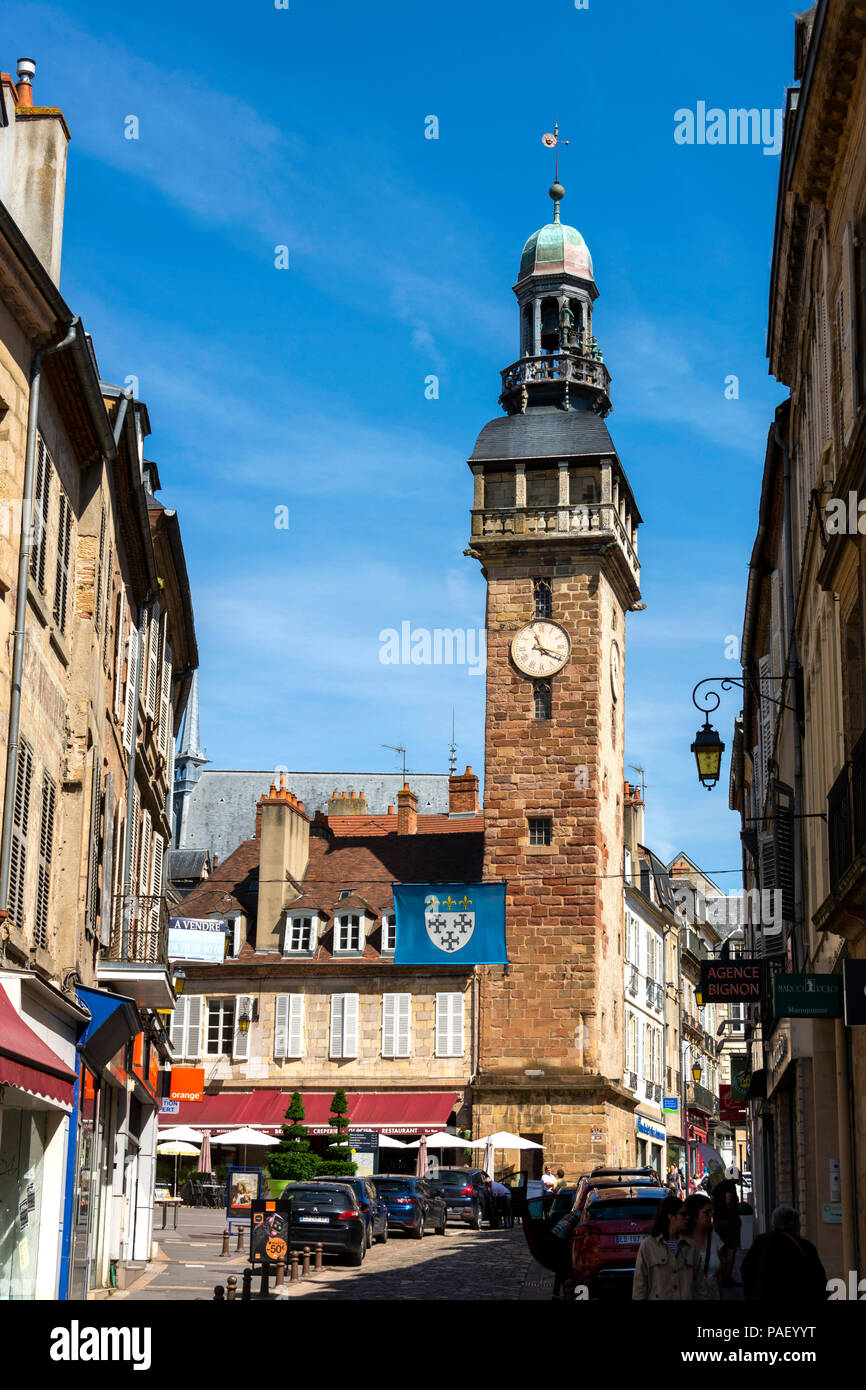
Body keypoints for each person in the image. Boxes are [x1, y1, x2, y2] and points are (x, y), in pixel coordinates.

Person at [632, 1196, 713, 1300]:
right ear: (670, 1216)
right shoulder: (648, 1246)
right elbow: (640, 1284)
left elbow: (700, 1284)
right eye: (683, 1214)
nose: (687, 1217)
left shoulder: (690, 1246)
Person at [741, 1206, 828, 1302]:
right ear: (795, 1225)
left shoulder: (761, 1241)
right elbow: (818, 1280)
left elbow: (746, 1269)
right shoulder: (805, 1246)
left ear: (774, 1223)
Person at [684, 1193, 722, 1299]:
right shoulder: (681, 1241)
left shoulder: (714, 1237)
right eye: (706, 1212)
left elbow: (719, 1275)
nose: (711, 1215)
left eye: (711, 1212)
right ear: (694, 1216)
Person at [712, 1164, 742, 1284]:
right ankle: (727, 1276)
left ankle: (722, 1275)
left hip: (718, 1220)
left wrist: (715, 1213)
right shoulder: (730, 1186)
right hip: (729, 1221)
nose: (739, 1177)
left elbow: (712, 1200)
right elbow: (729, 1201)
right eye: (738, 1175)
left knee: (722, 1249)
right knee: (731, 1248)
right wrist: (734, 1216)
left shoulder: (718, 1185)